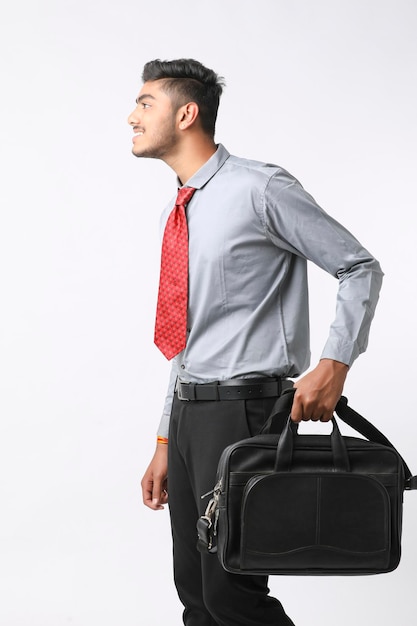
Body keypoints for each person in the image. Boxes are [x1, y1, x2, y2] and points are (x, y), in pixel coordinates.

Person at [128, 58, 383, 626]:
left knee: (232, 595)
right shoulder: (184, 207)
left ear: (186, 113)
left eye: (145, 104)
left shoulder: (259, 189)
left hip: (244, 413)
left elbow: (359, 267)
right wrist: (168, 437)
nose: (132, 117)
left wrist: (334, 364)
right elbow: (187, 337)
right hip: (192, 418)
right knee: (194, 593)